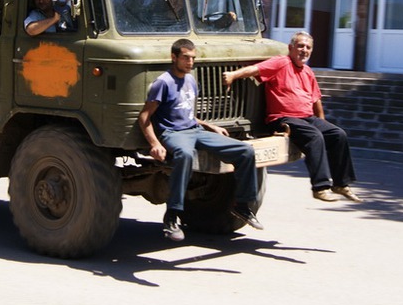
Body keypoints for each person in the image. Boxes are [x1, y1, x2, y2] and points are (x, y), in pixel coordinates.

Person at [138, 38, 264, 242]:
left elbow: (187, 114)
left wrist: (210, 126)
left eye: (193, 58)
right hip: (173, 133)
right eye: (185, 58)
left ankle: (242, 206)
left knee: (245, 151)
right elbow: (144, 116)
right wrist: (155, 143)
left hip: (195, 130)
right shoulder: (163, 82)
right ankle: (172, 215)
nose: (190, 62)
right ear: (174, 57)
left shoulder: (190, 80)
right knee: (185, 155)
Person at [223, 31, 362, 203]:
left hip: (307, 118)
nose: (304, 50)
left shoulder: (308, 71)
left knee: (338, 134)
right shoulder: (281, 62)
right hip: (282, 118)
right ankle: (321, 187)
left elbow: (315, 100)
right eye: (300, 46)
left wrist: (322, 122)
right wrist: (233, 75)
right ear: (291, 48)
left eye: (308, 47)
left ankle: (341, 184)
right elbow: (255, 69)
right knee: (314, 136)